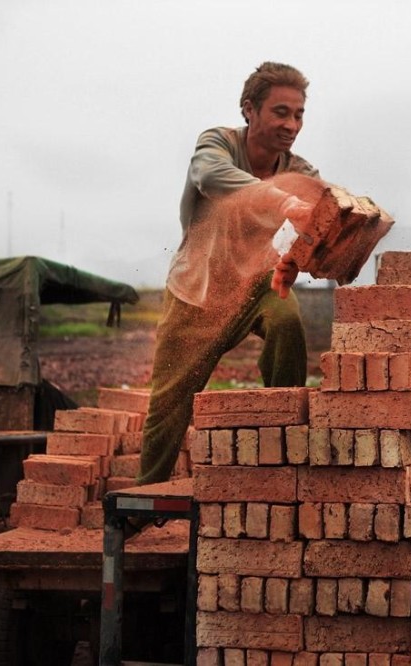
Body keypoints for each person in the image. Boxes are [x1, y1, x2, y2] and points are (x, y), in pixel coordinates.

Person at [136, 62, 320, 488]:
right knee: (169, 405)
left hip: (259, 285)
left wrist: (300, 254)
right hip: (196, 289)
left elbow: (319, 223)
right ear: (249, 109)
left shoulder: (301, 171)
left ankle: (283, 448)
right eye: (280, 112)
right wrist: (282, 201)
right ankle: (142, 502)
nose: (291, 124)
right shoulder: (217, 144)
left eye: (299, 114)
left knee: (288, 323)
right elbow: (209, 176)